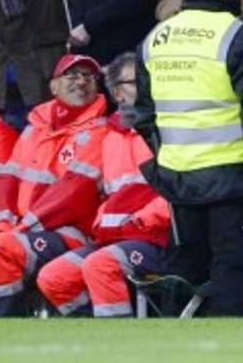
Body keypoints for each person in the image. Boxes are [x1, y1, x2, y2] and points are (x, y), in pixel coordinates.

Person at [134, 0, 243, 316]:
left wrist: (167, 158)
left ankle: (174, 348)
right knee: (232, 272)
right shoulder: (240, 37)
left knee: (183, 270)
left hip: (178, 179)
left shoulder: (155, 39)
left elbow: (144, 115)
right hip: (233, 177)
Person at [35, 53, 171, 317]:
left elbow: (181, 189)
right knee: (54, 277)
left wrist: (143, 219)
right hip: (117, 237)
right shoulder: (108, 135)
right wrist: (103, 220)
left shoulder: (169, 128)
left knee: (101, 264)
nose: (147, 87)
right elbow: (103, 195)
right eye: (137, 81)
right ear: (118, 93)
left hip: (159, 237)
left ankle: (119, 344)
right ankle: (96, 337)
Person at [0, 54, 111, 316]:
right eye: (72, 75)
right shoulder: (34, 128)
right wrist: (3, 224)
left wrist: (20, 229)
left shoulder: (101, 132)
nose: (81, 82)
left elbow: (72, 195)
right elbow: (7, 181)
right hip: (27, 229)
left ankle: (5, 330)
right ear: (54, 86)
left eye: (89, 77)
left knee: (2, 249)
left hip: (73, 233)